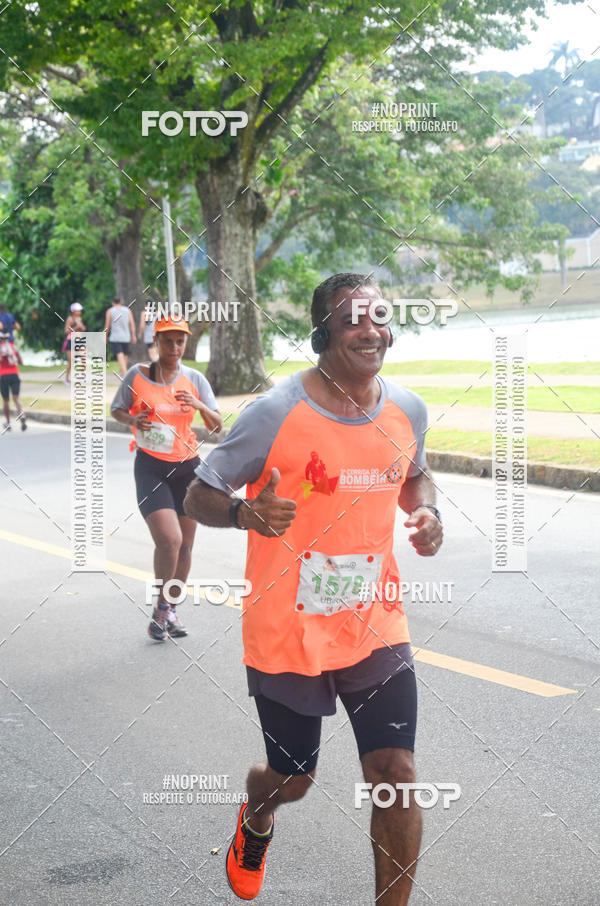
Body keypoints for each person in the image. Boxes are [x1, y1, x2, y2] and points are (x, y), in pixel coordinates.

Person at [184, 273, 443, 905]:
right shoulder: (276, 412)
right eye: (351, 319)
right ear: (322, 333)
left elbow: (414, 475)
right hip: (288, 632)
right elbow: (199, 493)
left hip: (374, 623)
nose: (370, 329)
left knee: (396, 775)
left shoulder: (407, 409)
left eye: (378, 315)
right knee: (293, 777)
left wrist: (427, 512)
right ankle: (256, 814)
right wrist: (245, 514)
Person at [110, 314, 222, 641]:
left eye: (180, 341)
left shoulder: (195, 379)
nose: (174, 347)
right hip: (150, 467)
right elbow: (117, 409)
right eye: (168, 340)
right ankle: (164, 609)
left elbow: (217, 427)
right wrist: (133, 419)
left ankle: (166, 611)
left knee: (185, 546)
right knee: (170, 540)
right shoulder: (138, 375)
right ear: (155, 343)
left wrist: (199, 404)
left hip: (187, 468)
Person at [1, 330, 26, 431]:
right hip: (15, 375)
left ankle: (8, 422)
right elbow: (21, 362)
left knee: (6, 400)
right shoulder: (13, 347)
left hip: (3, 376)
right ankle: (22, 416)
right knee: (16, 399)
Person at [104, 297, 136, 376]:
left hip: (116, 336)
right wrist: (133, 335)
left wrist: (105, 335)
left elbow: (107, 325)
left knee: (119, 353)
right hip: (126, 336)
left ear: (113, 303)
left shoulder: (110, 311)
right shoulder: (127, 310)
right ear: (121, 302)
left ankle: (124, 372)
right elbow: (132, 323)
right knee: (125, 354)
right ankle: (123, 371)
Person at [62, 303, 86, 384]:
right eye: (78, 310)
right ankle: (66, 378)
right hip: (71, 341)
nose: (80, 311)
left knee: (83, 357)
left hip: (79, 340)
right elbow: (67, 330)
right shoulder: (70, 319)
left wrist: (81, 326)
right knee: (71, 361)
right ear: (73, 311)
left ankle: (81, 376)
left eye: (80, 310)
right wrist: (76, 327)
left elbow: (83, 328)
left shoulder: (79, 318)